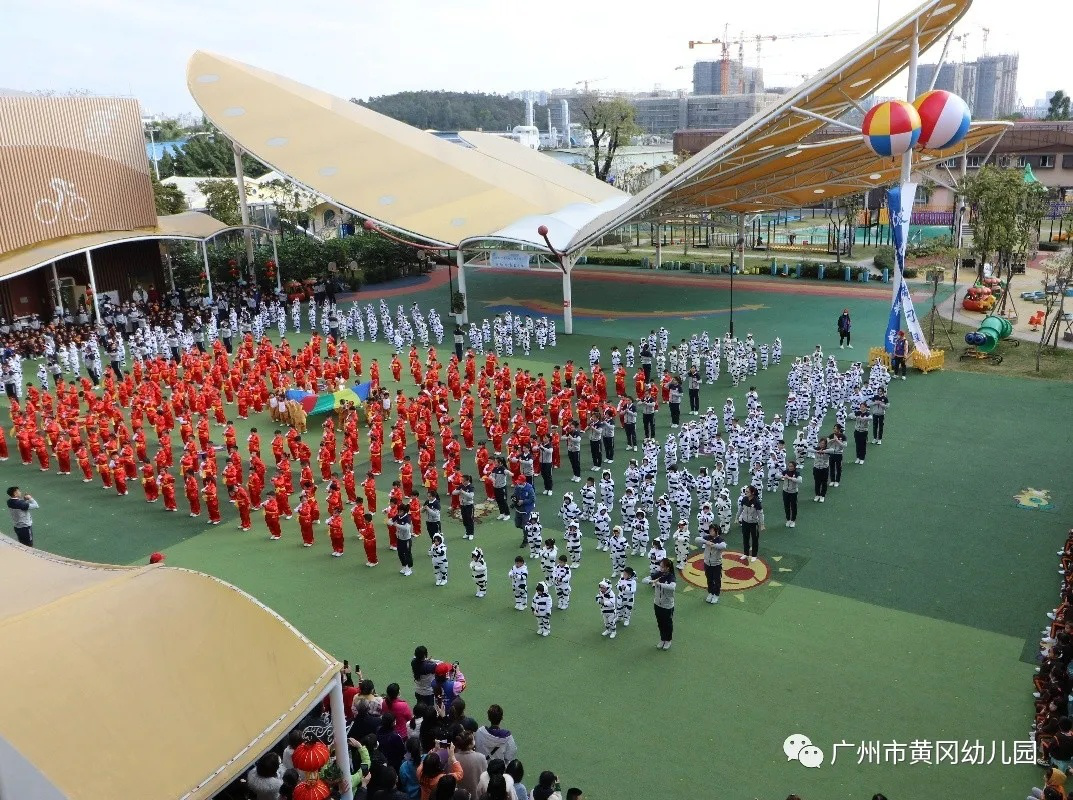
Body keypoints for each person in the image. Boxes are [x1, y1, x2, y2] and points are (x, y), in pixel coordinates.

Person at [695, 523, 727, 604]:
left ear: (716, 531)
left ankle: (716, 594)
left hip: (716, 564)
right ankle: (710, 592)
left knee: (717, 580)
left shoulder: (720, 539)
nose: (710, 532)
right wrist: (707, 542)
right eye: (710, 530)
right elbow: (697, 539)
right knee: (709, 579)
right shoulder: (708, 537)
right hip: (707, 563)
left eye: (712, 530)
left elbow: (723, 546)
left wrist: (713, 544)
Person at [651, 557, 676, 650]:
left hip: (667, 605)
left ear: (668, 568)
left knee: (667, 624)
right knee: (660, 622)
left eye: (662, 567)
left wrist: (659, 584)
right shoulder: (659, 574)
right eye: (660, 566)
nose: (660, 568)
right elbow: (645, 579)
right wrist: (651, 581)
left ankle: (668, 640)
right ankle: (662, 639)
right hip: (657, 603)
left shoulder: (671, 577)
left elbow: (672, 587)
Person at [738, 485, 763, 563]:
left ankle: (754, 555)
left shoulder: (756, 501)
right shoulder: (744, 499)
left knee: (754, 539)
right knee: (745, 538)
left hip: (753, 523)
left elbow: (760, 514)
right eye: (745, 491)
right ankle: (746, 553)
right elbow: (740, 509)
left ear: (752, 492)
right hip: (745, 522)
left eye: (747, 491)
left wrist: (762, 524)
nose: (746, 493)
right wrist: (737, 517)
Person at [780, 462, 802, 527]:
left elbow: (800, 480)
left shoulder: (797, 473)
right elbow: (776, 475)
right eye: (789, 466)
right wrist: (783, 476)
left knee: (793, 506)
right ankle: (788, 519)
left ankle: (793, 520)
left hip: (793, 492)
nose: (790, 467)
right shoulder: (785, 472)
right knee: (786, 506)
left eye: (792, 466)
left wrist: (790, 478)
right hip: (785, 491)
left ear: (794, 467)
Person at [812, 437, 831, 503]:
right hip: (816, 468)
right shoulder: (817, 448)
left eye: (823, 443)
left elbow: (833, 450)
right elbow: (808, 449)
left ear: (825, 444)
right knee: (817, 482)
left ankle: (822, 496)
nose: (822, 444)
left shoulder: (828, 450)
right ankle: (817, 495)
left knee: (824, 482)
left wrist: (823, 451)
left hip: (824, 468)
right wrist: (817, 451)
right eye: (821, 443)